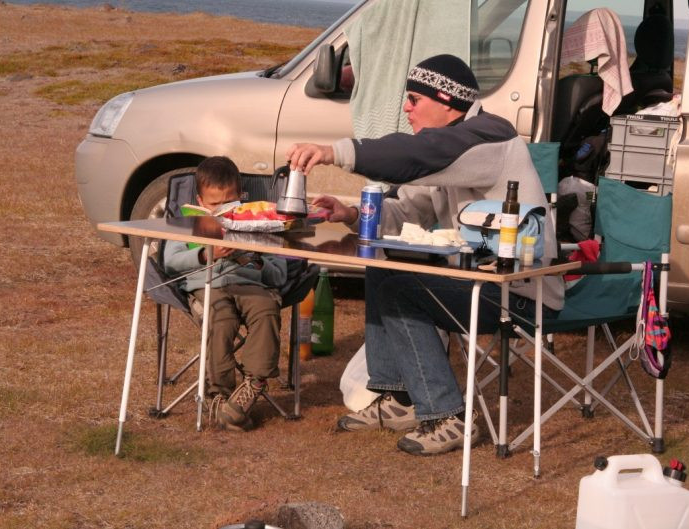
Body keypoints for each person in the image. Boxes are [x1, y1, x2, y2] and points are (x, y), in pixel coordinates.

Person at [287, 54, 564, 455]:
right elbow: (404, 212)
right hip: (479, 283)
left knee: (403, 289)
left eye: (415, 98)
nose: (407, 107)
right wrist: (350, 214)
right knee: (382, 269)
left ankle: (449, 416)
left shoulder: (488, 138)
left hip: (521, 293)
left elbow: (410, 156)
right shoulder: (450, 151)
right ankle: (400, 399)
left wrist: (334, 152)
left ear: (447, 102)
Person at [163, 156, 288, 431]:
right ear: (199, 200)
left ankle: (251, 386)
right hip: (206, 284)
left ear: (241, 198)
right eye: (213, 204)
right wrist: (205, 254)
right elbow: (170, 262)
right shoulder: (185, 223)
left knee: (267, 310)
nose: (221, 210)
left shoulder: (258, 221)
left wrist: (256, 261)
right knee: (221, 319)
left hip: (250, 283)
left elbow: (280, 273)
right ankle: (218, 394)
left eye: (229, 203)